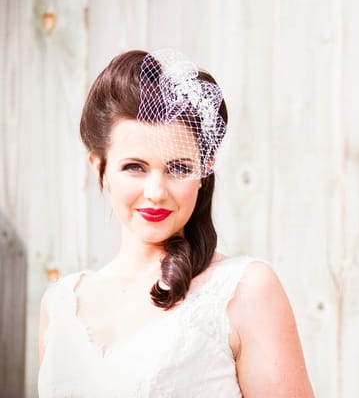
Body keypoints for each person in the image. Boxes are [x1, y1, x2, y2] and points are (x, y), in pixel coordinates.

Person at [37, 49, 314, 398]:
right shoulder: (60, 304)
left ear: (204, 170)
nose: (156, 192)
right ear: (100, 168)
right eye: (134, 167)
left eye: (179, 168)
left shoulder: (246, 290)